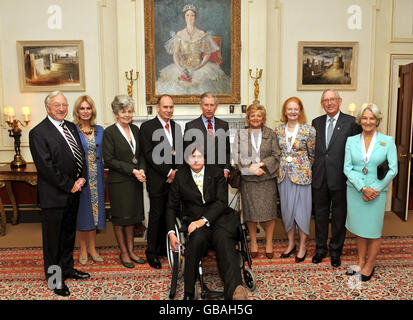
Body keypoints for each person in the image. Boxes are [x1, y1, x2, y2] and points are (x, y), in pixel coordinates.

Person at [29, 91, 90, 297]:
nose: (62, 108)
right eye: (57, 105)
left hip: (74, 192)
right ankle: (55, 279)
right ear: (47, 107)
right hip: (53, 196)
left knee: (67, 236)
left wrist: (82, 178)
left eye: (64, 104)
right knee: (53, 241)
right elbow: (45, 167)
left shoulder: (72, 127)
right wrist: (69, 185)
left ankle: (67, 268)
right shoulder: (38, 132)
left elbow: (80, 155)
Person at [167, 147, 248, 300]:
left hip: (219, 218)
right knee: (195, 241)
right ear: (186, 159)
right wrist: (171, 232)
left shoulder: (217, 172)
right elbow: (171, 207)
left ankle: (235, 292)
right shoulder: (180, 177)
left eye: (199, 156)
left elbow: (221, 202)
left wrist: (202, 221)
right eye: (192, 157)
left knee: (225, 241)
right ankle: (189, 292)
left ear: (205, 158)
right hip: (195, 222)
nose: (196, 160)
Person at [343, 104, 398, 281]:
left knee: (373, 230)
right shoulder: (351, 141)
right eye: (365, 118)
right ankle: (360, 261)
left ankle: (370, 264)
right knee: (360, 229)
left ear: (377, 120)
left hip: (377, 193)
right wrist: (363, 188)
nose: (368, 121)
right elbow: (347, 168)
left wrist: (374, 188)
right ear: (360, 120)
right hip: (356, 191)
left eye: (371, 118)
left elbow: (393, 169)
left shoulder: (387, 141)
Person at [311, 90, 362, 267]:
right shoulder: (316, 122)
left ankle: (335, 251)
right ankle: (320, 249)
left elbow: (357, 149)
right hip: (319, 177)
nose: (329, 103)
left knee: (339, 216)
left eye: (332, 99)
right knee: (320, 215)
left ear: (339, 101)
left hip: (341, 177)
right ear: (322, 103)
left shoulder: (351, 123)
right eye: (325, 100)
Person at [102, 95, 147, 269]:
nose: (127, 115)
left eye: (129, 111)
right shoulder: (110, 132)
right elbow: (109, 160)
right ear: (116, 112)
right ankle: (124, 252)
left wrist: (142, 169)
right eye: (123, 111)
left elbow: (141, 154)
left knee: (132, 218)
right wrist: (133, 170)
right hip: (119, 182)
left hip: (135, 181)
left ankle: (132, 251)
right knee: (121, 219)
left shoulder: (136, 129)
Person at [139, 94, 183, 269]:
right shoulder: (147, 127)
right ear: (158, 108)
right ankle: (152, 252)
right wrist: (168, 172)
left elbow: (180, 153)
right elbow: (149, 154)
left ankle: (167, 248)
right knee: (156, 215)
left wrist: (176, 172)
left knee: (171, 213)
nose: (169, 110)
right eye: (165, 107)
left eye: (171, 107)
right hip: (158, 179)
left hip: (175, 181)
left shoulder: (177, 127)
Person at [234, 104, 280, 259]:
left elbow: (276, 155)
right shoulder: (241, 134)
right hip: (249, 180)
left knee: (269, 212)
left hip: (267, 178)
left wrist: (261, 165)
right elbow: (237, 155)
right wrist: (250, 167)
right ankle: (253, 241)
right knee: (250, 212)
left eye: (258, 115)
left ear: (263, 118)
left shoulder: (270, 134)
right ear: (248, 118)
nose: (255, 118)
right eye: (252, 115)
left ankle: (268, 242)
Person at [274, 97, 316, 263]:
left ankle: (303, 246)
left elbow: (312, 154)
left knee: (302, 211)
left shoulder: (309, 130)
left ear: (300, 111)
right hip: (284, 176)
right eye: (289, 109)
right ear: (285, 111)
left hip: (302, 177)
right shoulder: (278, 130)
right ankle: (291, 243)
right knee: (287, 211)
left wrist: (301, 167)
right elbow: (277, 152)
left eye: (295, 109)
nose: (292, 112)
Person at [155, 4, 230, 95]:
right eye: (187, 15)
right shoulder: (180, 34)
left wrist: (199, 66)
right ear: (184, 17)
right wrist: (180, 68)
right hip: (183, 67)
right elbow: (176, 54)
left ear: (195, 17)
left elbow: (207, 53)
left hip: (199, 67)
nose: (190, 18)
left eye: (192, 15)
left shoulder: (201, 33)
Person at [72, 95, 106, 265]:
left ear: (92, 110)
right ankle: (83, 249)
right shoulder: (72, 130)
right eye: (82, 108)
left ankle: (93, 248)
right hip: (81, 178)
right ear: (77, 111)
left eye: (88, 108)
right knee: (82, 214)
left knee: (95, 214)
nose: (85, 111)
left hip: (97, 177)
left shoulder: (100, 129)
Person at [184, 92, 231, 180]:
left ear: (216, 107)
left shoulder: (224, 125)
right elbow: (187, 154)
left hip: (220, 175)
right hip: (199, 174)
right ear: (201, 106)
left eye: (212, 105)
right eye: (206, 105)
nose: (209, 108)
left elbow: (227, 151)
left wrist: (226, 169)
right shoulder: (190, 126)